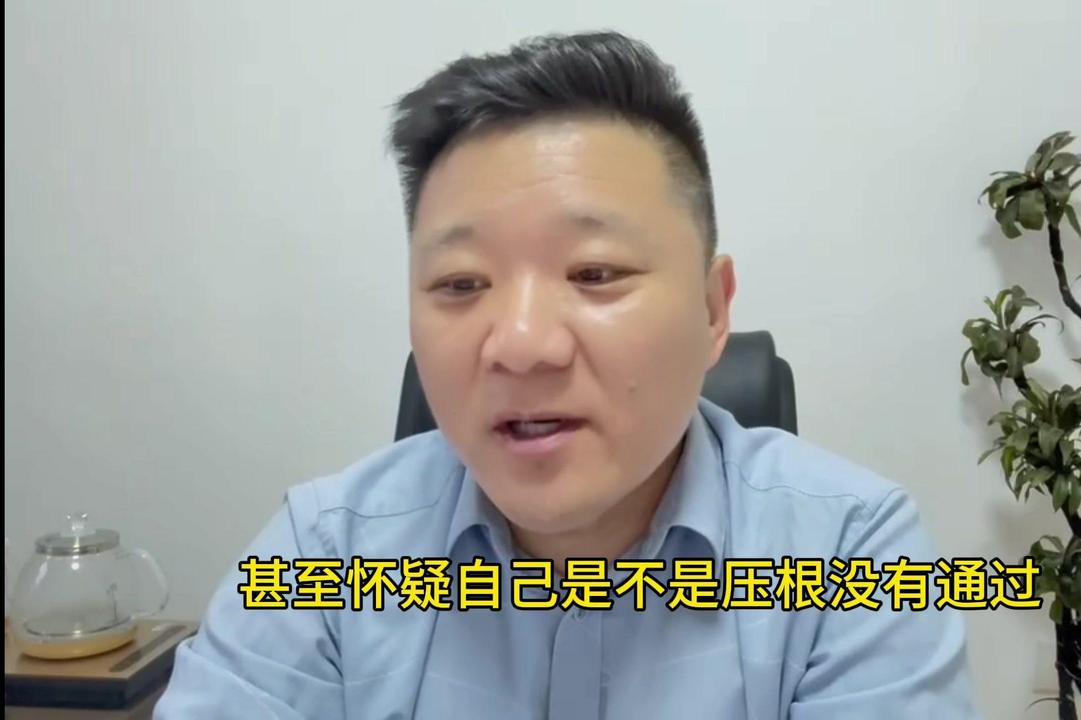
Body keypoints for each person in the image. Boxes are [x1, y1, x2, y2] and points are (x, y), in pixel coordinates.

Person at [155, 30, 979, 719]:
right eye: (461, 284)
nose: (519, 344)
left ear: (711, 310)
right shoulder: (324, 554)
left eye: (594, 273)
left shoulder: (850, 555)